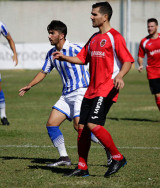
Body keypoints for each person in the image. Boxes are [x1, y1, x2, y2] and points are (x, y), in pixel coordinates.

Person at [53, 2, 134, 177]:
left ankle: (117, 157)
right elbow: (83, 59)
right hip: (91, 90)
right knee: (82, 127)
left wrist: (119, 76)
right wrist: (64, 57)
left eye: (94, 14)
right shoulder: (94, 38)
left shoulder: (115, 37)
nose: (91, 17)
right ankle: (82, 167)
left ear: (105, 17)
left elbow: (127, 60)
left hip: (107, 88)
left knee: (93, 124)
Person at [19, 20, 112, 167]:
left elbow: (95, 59)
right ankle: (64, 157)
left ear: (61, 35)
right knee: (51, 124)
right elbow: (44, 72)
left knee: (78, 126)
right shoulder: (51, 54)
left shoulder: (76, 49)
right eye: (49, 33)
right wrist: (29, 85)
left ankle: (109, 150)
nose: (49, 36)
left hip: (81, 91)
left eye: (52, 33)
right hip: (66, 94)